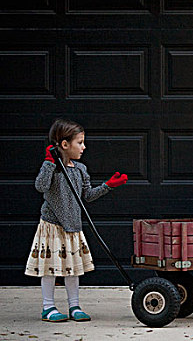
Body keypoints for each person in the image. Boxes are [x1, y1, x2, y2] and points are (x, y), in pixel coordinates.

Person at [25, 118, 128, 322]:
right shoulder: (52, 169)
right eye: (79, 142)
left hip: (73, 226)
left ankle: (74, 306)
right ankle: (48, 307)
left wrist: (108, 185)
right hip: (52, 226)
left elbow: (87, 196)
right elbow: (41, 186)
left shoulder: (80, 169)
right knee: (50, 268)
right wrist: (48, 162)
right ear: (64, 144)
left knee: (72, 269)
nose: (84, 146)